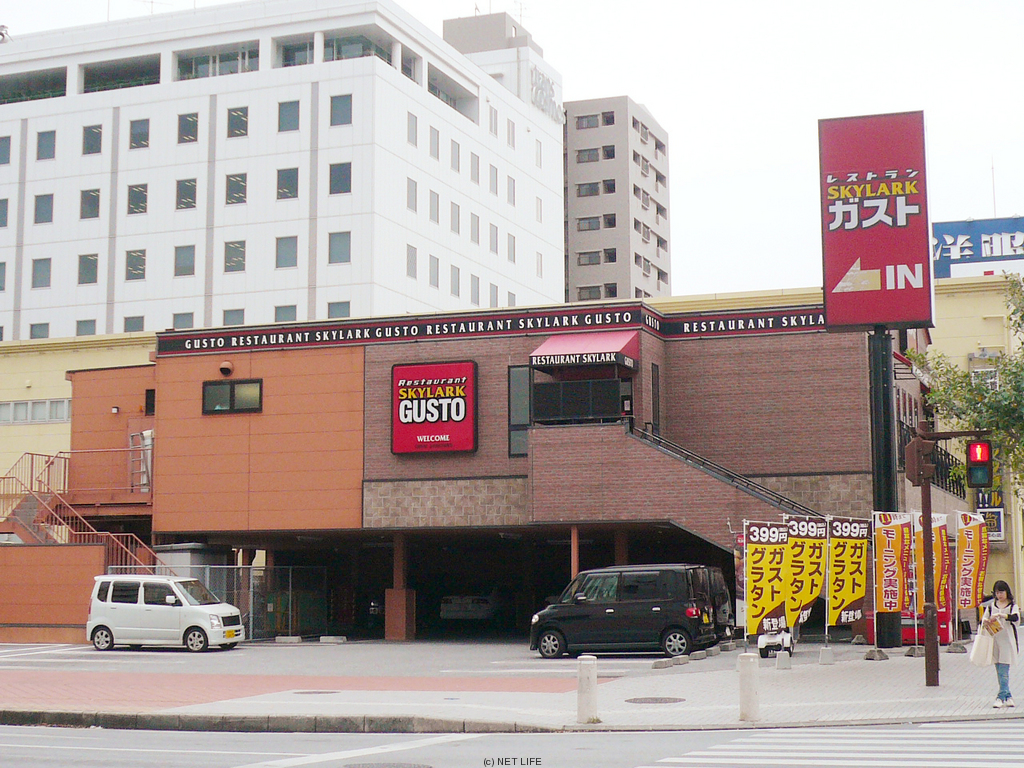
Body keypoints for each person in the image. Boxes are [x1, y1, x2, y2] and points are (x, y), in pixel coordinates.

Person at [981, 580, 1020, 708]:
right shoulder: (991, 606)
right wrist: (987, 621)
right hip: (995, 641)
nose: (999, 595)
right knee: (999, 670)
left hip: (1007, 641)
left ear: (1007, 592)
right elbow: (984, 619)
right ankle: (1008, 696)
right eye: (997, 593)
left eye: (1001, 592)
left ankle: (1000, 697)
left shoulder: (1012, 606)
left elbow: (1015, 618)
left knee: (1004, 670)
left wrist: (1001, 615)